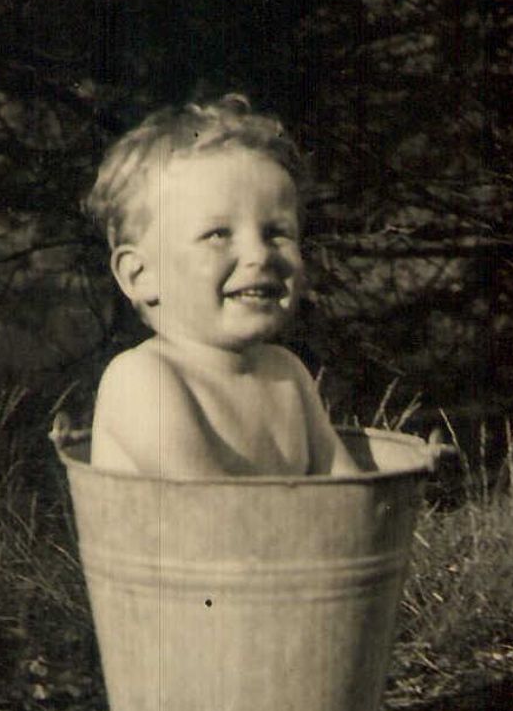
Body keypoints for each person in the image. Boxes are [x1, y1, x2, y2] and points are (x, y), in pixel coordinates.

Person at [83, 96, 362, 478]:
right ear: (140, 275)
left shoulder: (287, 374)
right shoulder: (143, 378)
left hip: (286, 537)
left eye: (276, 232)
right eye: (218, 234)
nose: (258, 254)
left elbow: (350, 492)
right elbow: (211, 510)